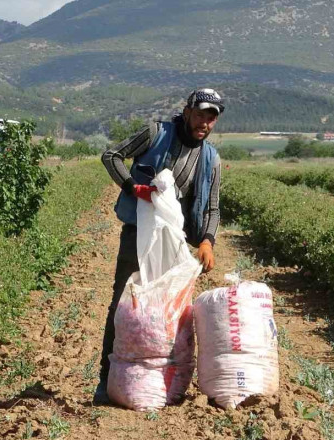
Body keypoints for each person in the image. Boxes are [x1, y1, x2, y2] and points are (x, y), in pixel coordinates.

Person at [95, 88, 224, 404]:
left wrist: (207, 241)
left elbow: (213, 207)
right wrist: (132, 187)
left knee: (171, 310)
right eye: (200, 115)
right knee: (126, 304)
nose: (204, 123)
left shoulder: (210, 159)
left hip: (175, 239)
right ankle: (106, 382)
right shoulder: (157, 133)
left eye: (211, 118)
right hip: (138, 232)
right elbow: (111, 155)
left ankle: (163, 381)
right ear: (187, 111)